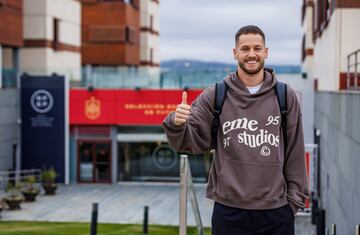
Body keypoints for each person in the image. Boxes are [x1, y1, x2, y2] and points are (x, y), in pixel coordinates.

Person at [162, 25, 309, 235]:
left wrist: (292, 203)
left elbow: (295, 151)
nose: (251, 54)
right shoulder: (216, 93)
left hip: (276, 212)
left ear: (265, 52)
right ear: (235, 53)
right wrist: (177, 123)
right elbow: (190, 141)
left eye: (257, 48)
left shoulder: (285, 96)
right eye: (245, 48)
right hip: (229, 212)